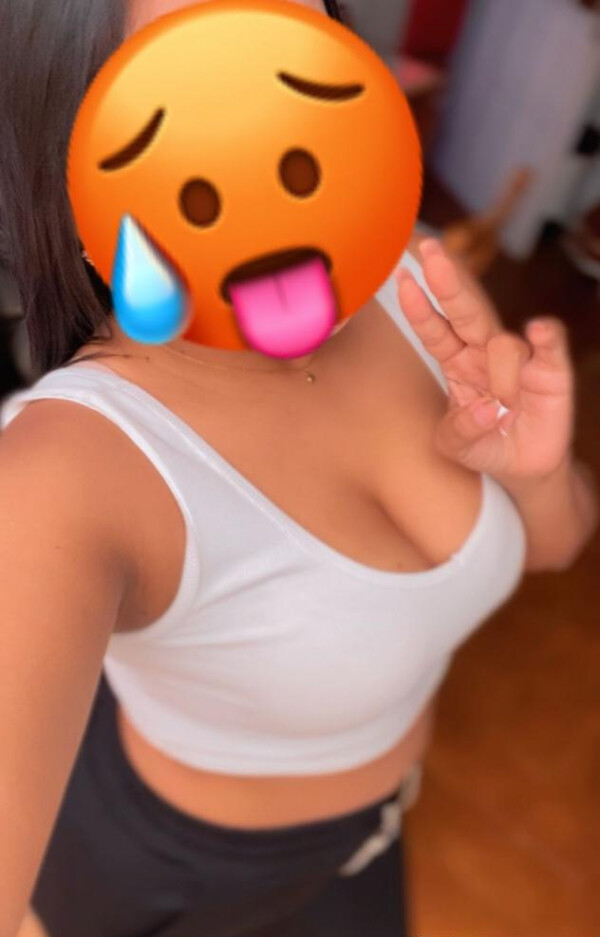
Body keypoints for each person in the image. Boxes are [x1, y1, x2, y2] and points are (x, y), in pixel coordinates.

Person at [0, 2, 597, 936]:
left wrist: (530, 473)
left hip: (370, 830)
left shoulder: (412, 270)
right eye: (200, 84)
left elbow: (557, 544)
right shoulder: (65, 469)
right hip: (169, 873)